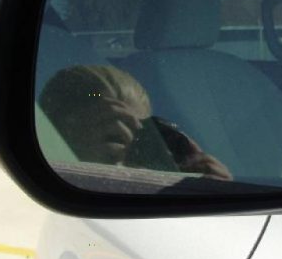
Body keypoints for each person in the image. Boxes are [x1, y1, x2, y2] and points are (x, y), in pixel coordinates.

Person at [39, 64, 231, 180]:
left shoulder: (160, 179)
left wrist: (206, 184)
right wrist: (84, 163)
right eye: (114, 136)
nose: (134, 147)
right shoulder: (55, 174)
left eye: (142, 135)